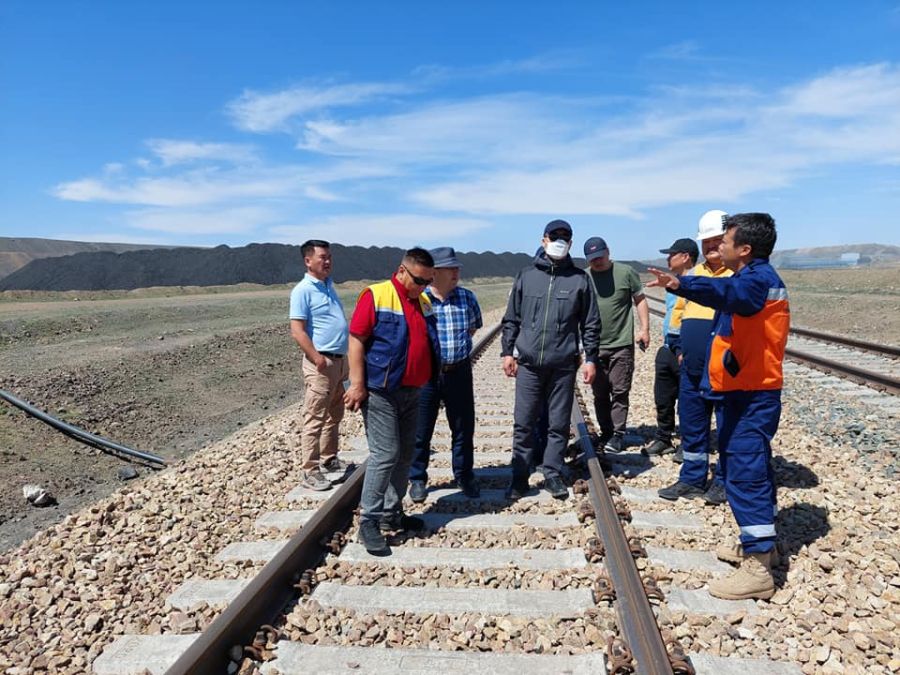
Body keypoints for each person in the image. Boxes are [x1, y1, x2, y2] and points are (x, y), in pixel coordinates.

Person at [647, 212, 789, 601]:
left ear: (744, 249)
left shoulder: (755, 280)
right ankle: (761, 544)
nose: (717, 247)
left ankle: (758, 568)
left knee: (746, 471)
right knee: (745, 465)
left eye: (724, 242)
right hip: (739, 391)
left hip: (751, 395)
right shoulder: (750, 276)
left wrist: (683, 283)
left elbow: (732, 298)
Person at [344, 247, 442, 556]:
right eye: (419, 280)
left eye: (428, 281)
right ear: (402, 271)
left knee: (404, 454)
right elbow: (356, 339)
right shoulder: (376, 295)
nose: (423, 286)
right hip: (381, 391)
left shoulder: (423, 301)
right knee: (385, 454)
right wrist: (358, 384)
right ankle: (369, 521)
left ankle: (391, 512)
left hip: (413, 390)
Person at [501, 219, 600, 500]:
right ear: (543, 239)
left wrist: (590, 357)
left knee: (558, 424)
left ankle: (552, 473)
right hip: (530, 365)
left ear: (570, 242)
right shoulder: (526, 275)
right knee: (523, 422)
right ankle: (519, 477)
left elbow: (590, 323)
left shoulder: (580, 279)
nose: (559, 240)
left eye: (564, 236)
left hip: (563, 366)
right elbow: (511, 318)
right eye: (554, 235)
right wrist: (508, 351)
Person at [657, 211, 733, 506]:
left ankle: (724, 481)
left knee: (726, 427)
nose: (711, 247)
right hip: (691, 367)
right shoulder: (693, 276)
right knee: (692, 424)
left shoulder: (737, 276)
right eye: (707, 242)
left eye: (717, 241)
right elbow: (677, 317)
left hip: (725, 371)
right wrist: (677, 349)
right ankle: (692, 478)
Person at [409, 247, 483, 502]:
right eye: (451, 268)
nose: (456, 272)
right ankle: (417, 477)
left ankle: (464, 474)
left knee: (463, 427)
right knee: (421, 429)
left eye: (457, 268)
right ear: (435, 272)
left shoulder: (467, 298)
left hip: (459, 371)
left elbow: (473, 329)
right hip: (427, 375)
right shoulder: (419, 299)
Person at [289, 239, 351, 491]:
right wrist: (317, 359)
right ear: (308, 260)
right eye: (322, 257)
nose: (327, 261)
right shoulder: (303, 290)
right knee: (314, 417)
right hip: (322, 364)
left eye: (329, 257)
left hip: (339, 361)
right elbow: (297, 331)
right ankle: (309, 470)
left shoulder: (328, 286)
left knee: (334, 414)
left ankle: (329, 459)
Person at [583, 236, 650, 453]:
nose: (598, 262)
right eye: (593, 259)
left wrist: (644, 329)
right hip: (594, 345)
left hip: (621, 343)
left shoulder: (626, 272)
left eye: (600, 257)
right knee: (600, 393)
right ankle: (606, 432)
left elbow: (640, 299)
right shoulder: (584, 277)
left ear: (608, 252)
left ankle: (618, 434)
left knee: (620, 391)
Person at [643, 237, 698, 457]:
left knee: (687, 400)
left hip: (685, 348)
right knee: (663, 397)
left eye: (672, 254)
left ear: (685, 257)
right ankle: (664, 437)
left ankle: (687, 442)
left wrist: (685, 348)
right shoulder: (672, 283)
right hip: (668, 345)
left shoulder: (698, 282)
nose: (667, 258)